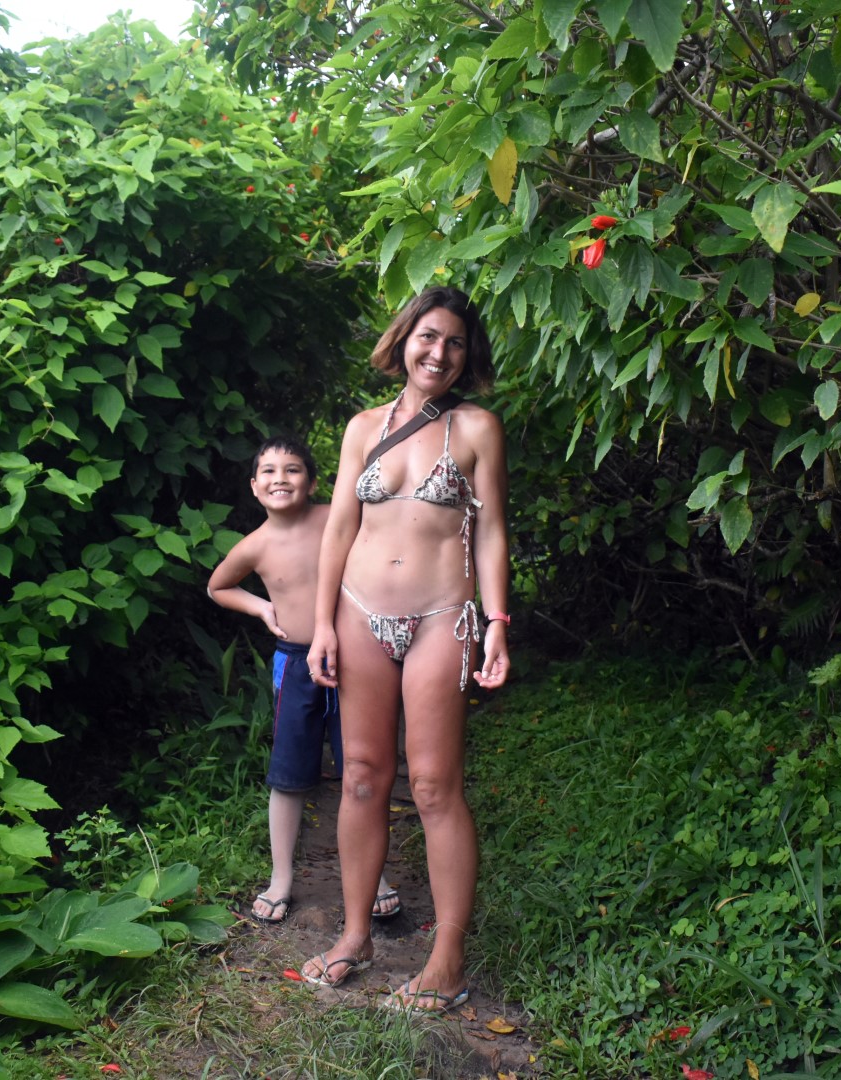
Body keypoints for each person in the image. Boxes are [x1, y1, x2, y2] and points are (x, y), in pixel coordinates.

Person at [302, 286, 511, 1012]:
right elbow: (338, 527)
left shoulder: (477, 427)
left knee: (432, 785)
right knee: (360, 775)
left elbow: (491, 529)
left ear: (467, 354)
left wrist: (497, 621)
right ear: (404, 338)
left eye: (455, 342)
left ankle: (446, 961)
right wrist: (322, 623)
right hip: (359, 612)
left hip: (441, 618)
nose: (439, 353)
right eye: (428, 336)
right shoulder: (363, 427)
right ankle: (354, 935)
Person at [207, 435, 401, 925]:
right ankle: (281, 878)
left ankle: (373, 876)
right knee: (288, 774)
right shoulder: (255, 545)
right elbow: (218, 586)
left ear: (313, 483)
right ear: (254, 486)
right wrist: (261, 606)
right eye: (269, 472)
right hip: (295, 665)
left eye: (293, 469)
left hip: (354, 657)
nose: (281, 479)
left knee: (362, 767)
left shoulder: (336, 521)